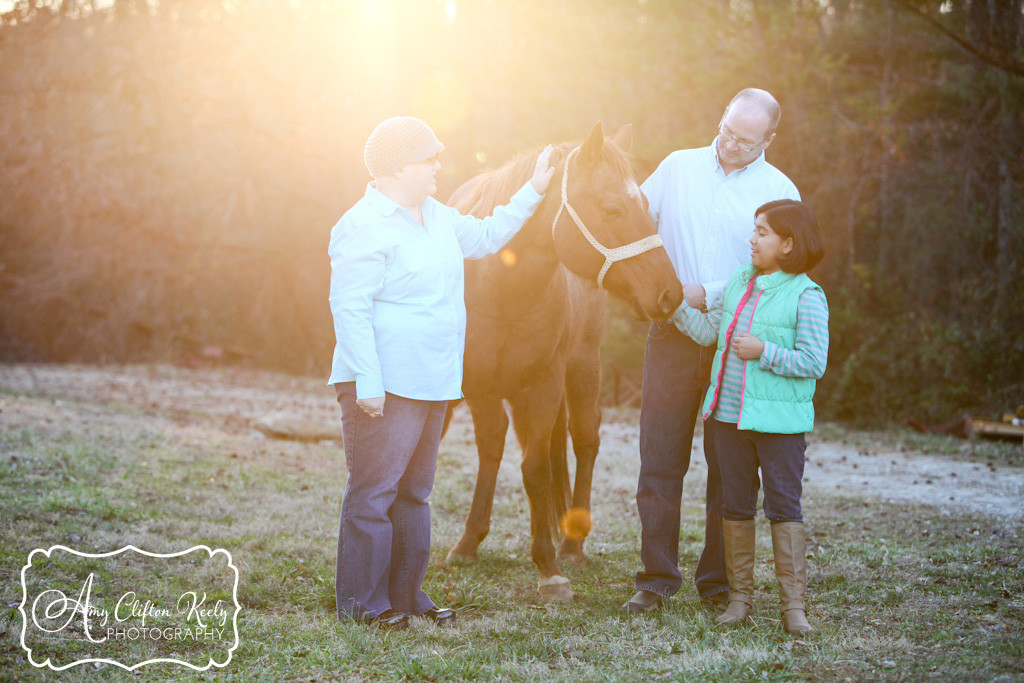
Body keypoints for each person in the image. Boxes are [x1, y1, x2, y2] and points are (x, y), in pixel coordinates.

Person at [328, 116, 555, 629]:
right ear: (399, 168)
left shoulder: (437, 215)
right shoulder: (362, 225)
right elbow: (350, 308)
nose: (438, 165)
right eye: (429, 158)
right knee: (373, 495)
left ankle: (406, 597)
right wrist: (366, 382)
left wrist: (535, 188)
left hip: (433, 381)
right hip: (382, 384)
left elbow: (491, 233)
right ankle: (363, 606)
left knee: (414, 494)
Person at [625, 88, 800, 614]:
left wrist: (707, 291)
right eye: (728, 131)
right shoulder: (676, 168)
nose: (731, 145)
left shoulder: (780, 190)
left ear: (769, 140)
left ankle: (718, 581)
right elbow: (634, 222)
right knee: (659, 459)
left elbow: (782, 269)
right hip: (673, 336)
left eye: (746, 142)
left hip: (737, 342)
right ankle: (655, 578)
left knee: (729, 467)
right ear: (721, 116)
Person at [671, 199, 828, 634]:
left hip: (779, 427)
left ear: (789, 243)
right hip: (727, 419)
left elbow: (814, 361)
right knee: (735, 507)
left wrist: (766, 352)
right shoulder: (740, 281)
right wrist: (676, 310)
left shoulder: (807, 294)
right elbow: (712, 335)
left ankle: (792, 607)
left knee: (784, 509)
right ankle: (739, 599)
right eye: (754, 230)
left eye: (762, 232)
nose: (752, 238)